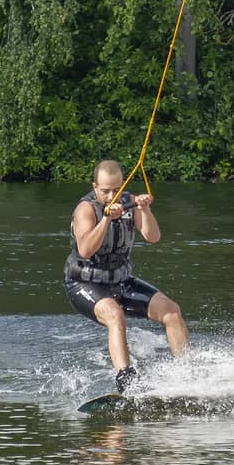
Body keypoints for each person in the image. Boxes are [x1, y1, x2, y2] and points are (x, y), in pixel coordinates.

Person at [64, 159, 189, 393]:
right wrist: (107, 219)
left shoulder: (129, 202)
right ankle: (126, 378)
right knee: (115, 315)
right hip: (84, 283)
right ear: (94, 187)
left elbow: (153, 237)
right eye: (105, 191)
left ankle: (186, 372)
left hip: (120, 282)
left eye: (117, 189)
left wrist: (144, 209)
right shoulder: (86, 210)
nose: (112, 195)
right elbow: (85, 250)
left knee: (171, 311)